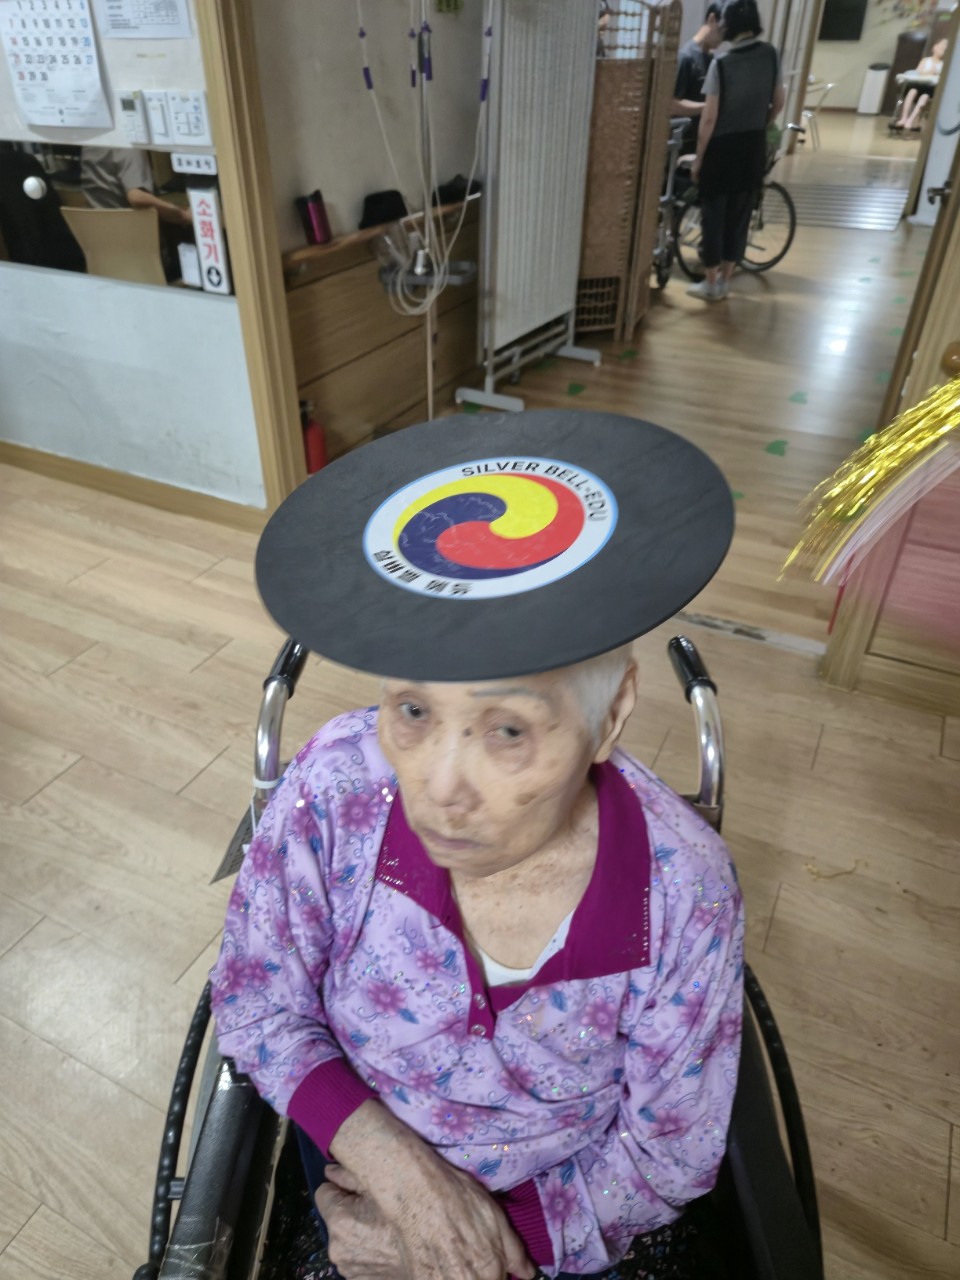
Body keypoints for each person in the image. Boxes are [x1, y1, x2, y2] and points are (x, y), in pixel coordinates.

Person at [210, 410, 744, 1280]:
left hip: (559, 1224)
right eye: (414, 710)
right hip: (355, 1178)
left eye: (508, 730)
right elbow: (257, 1001)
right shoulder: (338, 787)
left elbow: (669, 1157)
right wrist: (403, 1181)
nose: (440, 786)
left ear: (610, 715)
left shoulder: (685, 892)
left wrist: (493, 1242)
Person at [688, 0, 785, 302]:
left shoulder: (721, 64)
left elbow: (709, 119)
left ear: (728, 25)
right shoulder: (771, 55)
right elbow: (779, 101)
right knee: (739, 217)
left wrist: (699, 159)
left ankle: (710, 284)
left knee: (713, 217)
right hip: (752, 147)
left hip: (721, 150)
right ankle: (726, 282)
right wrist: (760, 125)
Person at [671, 4, 724, 153]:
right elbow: (671, 105)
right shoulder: (686, 57)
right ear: (712, 19)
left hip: (701, 141)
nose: (724, 38)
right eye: (722, 30)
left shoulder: (712, 59)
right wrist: (710, 108)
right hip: (683, 143)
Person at [894, 38, 948, 131]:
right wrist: (928, 72)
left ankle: (911, 120)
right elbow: (918, 72)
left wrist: (936, 73)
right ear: (935, 47)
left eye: (944, 48)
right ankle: (904, 117)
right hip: (918, 85)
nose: (942, 49)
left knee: (925, 97)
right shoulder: (926, 60)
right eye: (941, 47)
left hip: (930, 89)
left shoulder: (942, 65)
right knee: (912, 91)